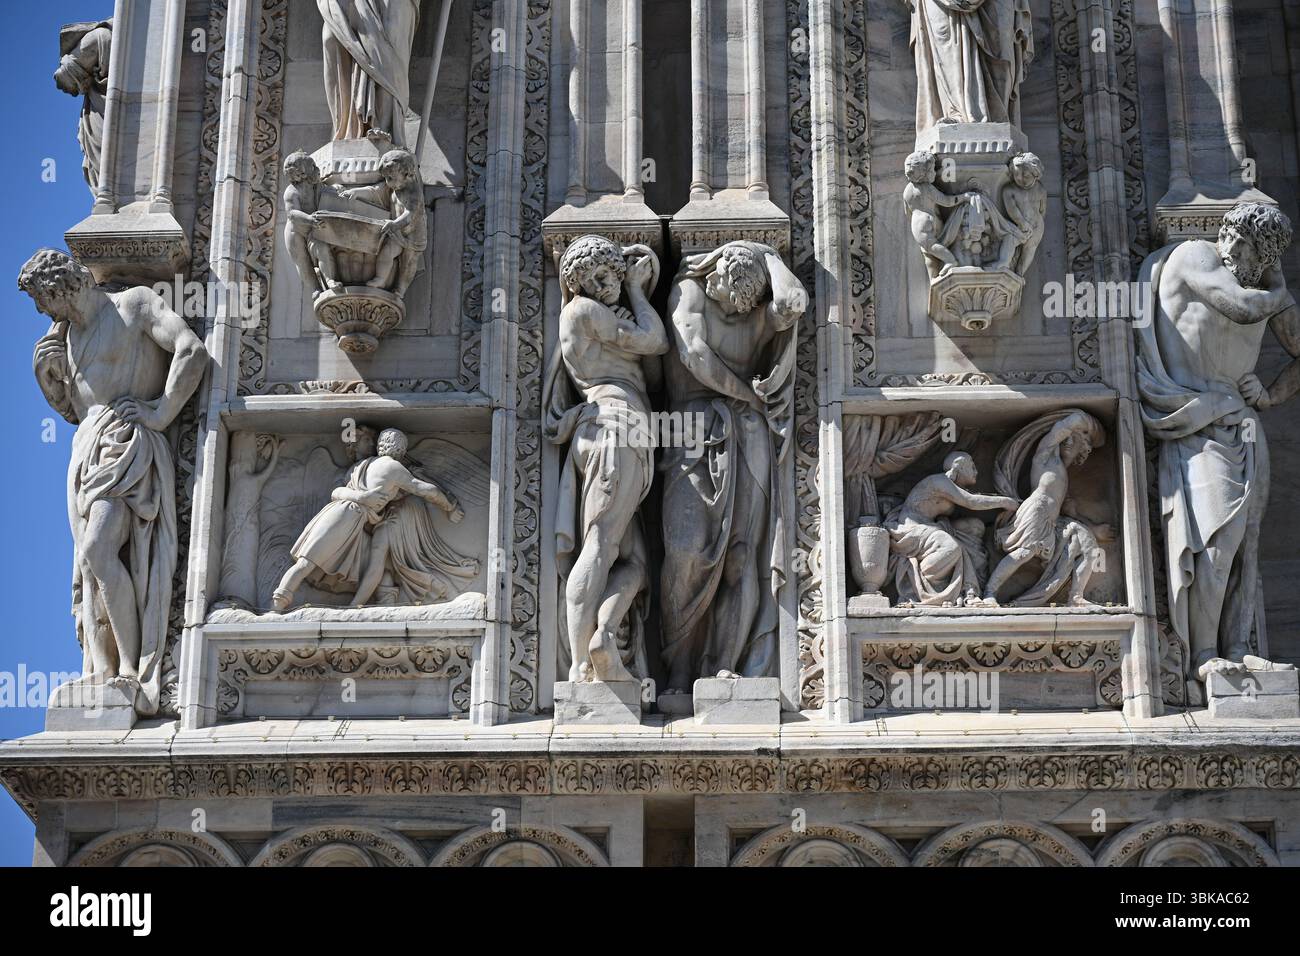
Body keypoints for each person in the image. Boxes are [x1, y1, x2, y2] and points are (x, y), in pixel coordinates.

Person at [19, 249, 208, 715]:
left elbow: (192, 350)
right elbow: (74, 409)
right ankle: (101, 672)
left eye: (44, 299)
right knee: (89, 570)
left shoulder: (136, 304)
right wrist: (48, 381)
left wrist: (162, 411)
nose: (43, 311)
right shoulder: (61, 337)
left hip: (126, 445)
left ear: (62, 285)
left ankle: (132, 672)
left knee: (99, 551)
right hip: (85, 452)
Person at [543, 236, 667, 683]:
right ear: (578, 285)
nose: (603, 284)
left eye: (608, 273)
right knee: (598, 546)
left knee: (634, 562)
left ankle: (605, 636)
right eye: (593, 279)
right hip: (615, 426)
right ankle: (579, 666)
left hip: (621, 428)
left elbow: (651, 372)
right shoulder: (582, 309)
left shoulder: (601, 320)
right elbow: (656, 342)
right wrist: (636, 289)